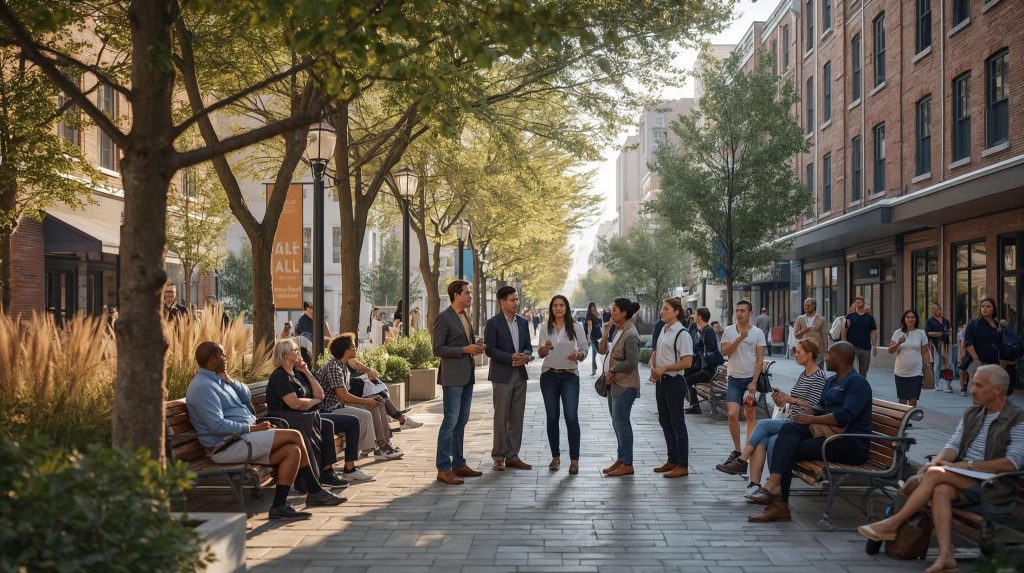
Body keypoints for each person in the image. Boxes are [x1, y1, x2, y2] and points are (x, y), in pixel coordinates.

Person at [858, 365, 1023, 573]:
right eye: (973, 383)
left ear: (998, 389)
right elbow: (953, 445)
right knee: (940, 488)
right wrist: (937, 461)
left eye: (979, 385)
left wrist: (963, 465)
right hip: (963, 478)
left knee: (935, 475)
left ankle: (892, 524)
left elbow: (1012, 463)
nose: (972, 389)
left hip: (995, 485)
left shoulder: (1017, 418)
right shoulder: (973, 412)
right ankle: (946, 556)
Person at [186, 341, 344, 520]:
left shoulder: (219, 380)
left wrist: (230, 380)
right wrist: (253, 428)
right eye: (223, 355)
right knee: (295, 435)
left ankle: (279, 506)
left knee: (292, 451)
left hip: (244, 438)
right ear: (212, 359)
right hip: (228, 445)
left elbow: (245, 399)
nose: (226, 358)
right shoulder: (203, 387)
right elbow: (216, 425)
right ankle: (315, 491)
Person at [747, 341, 873, 522]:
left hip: (849, 443)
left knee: (790, 448)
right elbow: (819, 407)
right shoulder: (831, 381)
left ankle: (778, 501)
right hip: (829, 435)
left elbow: (844, 417)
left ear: (842, 358)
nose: (826, 357)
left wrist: (812, 420)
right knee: (789, 428)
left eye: (830, 354)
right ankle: (775, 490)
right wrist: (802, 415)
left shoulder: (857, 383)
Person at [716, 339, 827, 498]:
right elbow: (794, 402)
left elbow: (815, 406)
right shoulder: (804, 374)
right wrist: (781, 400)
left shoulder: (819, 376)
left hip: (802, 424)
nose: (795, 355)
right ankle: (755, 485)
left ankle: (741, 461)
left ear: (810, 355)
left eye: (799, 352)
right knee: (765, 440)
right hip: (791, 420)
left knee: (763, 425)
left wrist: (792, 400)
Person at [267, 338, 375, 483]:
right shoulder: (279, 376)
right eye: (295, 350)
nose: (298, 352)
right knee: (327, 424)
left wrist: (306, 371)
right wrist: (315, 401)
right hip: (290, 420)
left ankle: (350, 469)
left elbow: (320, 394)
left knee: (352, 422)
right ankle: (326, 473)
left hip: (308, 415)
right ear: (284, 354)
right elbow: (295, 404)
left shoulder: (297, 373)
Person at [316, 333, 404, 464]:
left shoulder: (342, 366)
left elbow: (344, 395)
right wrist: (366, 401)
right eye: (353, 346)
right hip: (330, 409)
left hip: (339, 406)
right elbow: (343, 395)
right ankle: (379, 446)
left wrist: (370, 398)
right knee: (370, 406)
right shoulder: (334, 367)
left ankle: (384, 445)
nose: (356, 348)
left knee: (378, 401)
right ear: (345, 351)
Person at [432, 280, 486, 485]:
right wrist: (465, 350)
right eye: (467, 293)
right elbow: (437, 349)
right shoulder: (443, 318)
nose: (470, 296)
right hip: (452, 377)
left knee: (461, 421)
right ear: (456, 295)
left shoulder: (465, 316)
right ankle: (443, 467)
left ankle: (459, 463)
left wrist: (476, 346)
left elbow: (465, 344)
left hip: (467, 376)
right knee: (450, 421)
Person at [485, 286, 534, 472]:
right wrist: (510, 357)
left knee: (517, 417)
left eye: (517, 299)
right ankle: (498, 456)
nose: (516, 303)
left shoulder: (523, 322)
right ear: (502, 301)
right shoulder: (493, 323)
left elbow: (528, 346)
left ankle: (513, 456)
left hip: (520, 375)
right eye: (512, 300)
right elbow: (490, 349)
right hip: (501, 375)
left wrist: (525, 356)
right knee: (501, 417)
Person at [538, 294, 589, 474]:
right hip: (549, 376)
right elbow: (541, 352)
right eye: (555, 306)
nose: (558, 308)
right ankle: (555, 457)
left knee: (571, 417)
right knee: (552, 418)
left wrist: (579, 355)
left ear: (566, 308)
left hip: (569, 376)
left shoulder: (576, 327)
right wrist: (545, 348)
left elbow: (584, 348)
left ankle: (574, 460)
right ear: (551, 308)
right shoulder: (545, 327)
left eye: (561, 305)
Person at [718, 299, 767, 467]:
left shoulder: (758, 333)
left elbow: (760, 358)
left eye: (743, 311)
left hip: (750, 381)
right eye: (737, 310)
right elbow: (725, 352)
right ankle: (737, 449)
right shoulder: (729, 331)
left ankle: (748, 449)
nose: (739, 314)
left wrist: (754, 382)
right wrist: (739, 338)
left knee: (750, 414)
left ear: (750, 313)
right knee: (732, 414)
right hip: (734, 379)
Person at [650, 297, 694, 479]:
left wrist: (665, 368)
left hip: (675, 382)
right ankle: (672, 459)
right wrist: (653, 367)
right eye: (662, 308)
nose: (662, 311)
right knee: (664, 421)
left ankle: (682, 464)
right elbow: (657, 351)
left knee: (677, 424)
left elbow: (687, 362)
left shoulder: (682, 333)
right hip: (661, 381)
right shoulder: (663, 329)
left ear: (676, 312)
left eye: (666, 309)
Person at [598, 298, 642, 477]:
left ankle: (628, 463)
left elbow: (632, 361)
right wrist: (605, 333)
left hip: (624, 384)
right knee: (617, 423)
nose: (611, 312)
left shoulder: (630, 333)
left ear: (624, 313)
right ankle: (621, 458)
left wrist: (613, 369)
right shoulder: (618, 329)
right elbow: (602, 351)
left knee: (621, 423)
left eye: (614, 310)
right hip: (613, 384)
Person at [888, 309, 932, 407]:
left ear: (916, 319)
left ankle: (910, 421)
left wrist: (928, 364)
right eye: (908, 317)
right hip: (900, 372)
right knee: (902, 400)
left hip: (916, 372)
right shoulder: (898, 333)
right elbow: (890, 350)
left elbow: (925, 351)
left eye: (912, 317)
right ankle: (904, 421)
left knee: (913, 399)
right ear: (904, 319)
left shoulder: (921, 333)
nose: (910, 319)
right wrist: (899, 342)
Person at [684, 307, 720, 415]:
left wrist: (700, 354)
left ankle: (695, 406)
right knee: (683, 378)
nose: (693, 316)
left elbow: (710, 350)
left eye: (695, 314)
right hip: (702, 368)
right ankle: (694, 405)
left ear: (699, 317)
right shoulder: (702, 330)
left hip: (708, 371)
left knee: (685, 381)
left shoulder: (708, 331)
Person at [963, 296, 1002, 393]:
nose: (985, 308)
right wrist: (976, 360)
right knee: (978, 394)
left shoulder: (997, 324)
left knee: (991, 394)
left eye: (988, 306)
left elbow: (999, 343)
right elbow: (968, 342)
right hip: (977, 363)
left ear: (993, 309)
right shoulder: (974, 323)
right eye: (983, 306)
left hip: (993, 364)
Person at [842, 295, 878, 376]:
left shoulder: (869, 318)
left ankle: (861, 387)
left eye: (859, 301)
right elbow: (844, 331)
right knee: (851, 371)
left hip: (866, 348)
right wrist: (844, 344)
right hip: (852, 347)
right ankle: (852, 386)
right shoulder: (849, 316)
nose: (857, 302)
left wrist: (874, 346)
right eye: (856, 301)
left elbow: (873, 332)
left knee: (863, 373)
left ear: (864, 303)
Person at [926, 303, 953, 393]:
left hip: (946, 345)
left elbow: (949, 331)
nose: (934, 310)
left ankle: (947, 385)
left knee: (948, 364)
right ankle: (936, 384)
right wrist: (941, 333)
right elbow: (929, 333)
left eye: (936, 308)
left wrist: (947, 333)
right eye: (932, 309)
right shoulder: (930, 321)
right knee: (937, 365)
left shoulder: (945, 321)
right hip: (936, 345)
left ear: (940, 309)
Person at [794, 298, 829, 367]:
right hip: (805, 350)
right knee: (808, 371)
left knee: (819, 371)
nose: (806, 307)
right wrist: (803, 331)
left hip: (818, 350)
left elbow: (825, 337)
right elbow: (796, 335)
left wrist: (826, 352)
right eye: (804, 305)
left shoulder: (821, 319)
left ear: (814, 306)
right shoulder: (800, 319)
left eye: (808, 305)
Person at [584, 302, 603, 376]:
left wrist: (597, 314)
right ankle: (593, 369)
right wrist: (588, 338)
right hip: (593, 337)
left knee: (601, 352)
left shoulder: (596, 314)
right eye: (592, 306)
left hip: (599, 336)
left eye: (594, 306)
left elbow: (600, 323)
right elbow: (589, 326)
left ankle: (600, 368)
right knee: (594, 353)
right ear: (589, 307)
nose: (593, 308)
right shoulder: (589, 315)